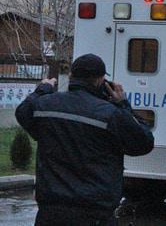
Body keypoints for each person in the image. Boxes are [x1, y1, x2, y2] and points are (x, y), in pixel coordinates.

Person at [15, 54, 154, 226]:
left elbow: (22, 112)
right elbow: (144, 142)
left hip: (51, 212)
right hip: (94, 212)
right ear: (100, 80)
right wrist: (123, 104)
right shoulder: (110, 114)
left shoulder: (44, 106)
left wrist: (42, 89)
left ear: (72, 76)